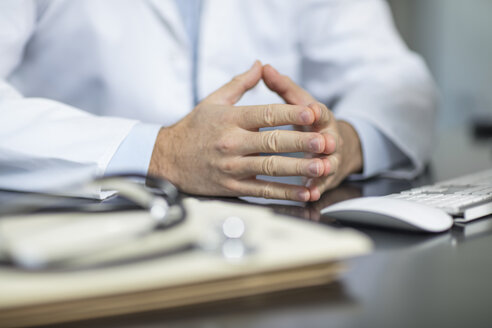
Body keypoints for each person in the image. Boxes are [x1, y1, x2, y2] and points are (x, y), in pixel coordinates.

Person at [0, 0, 437, 202]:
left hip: (273, 235)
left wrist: (344, 143)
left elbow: (394, 77)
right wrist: (162, 152)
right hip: (74, 218)